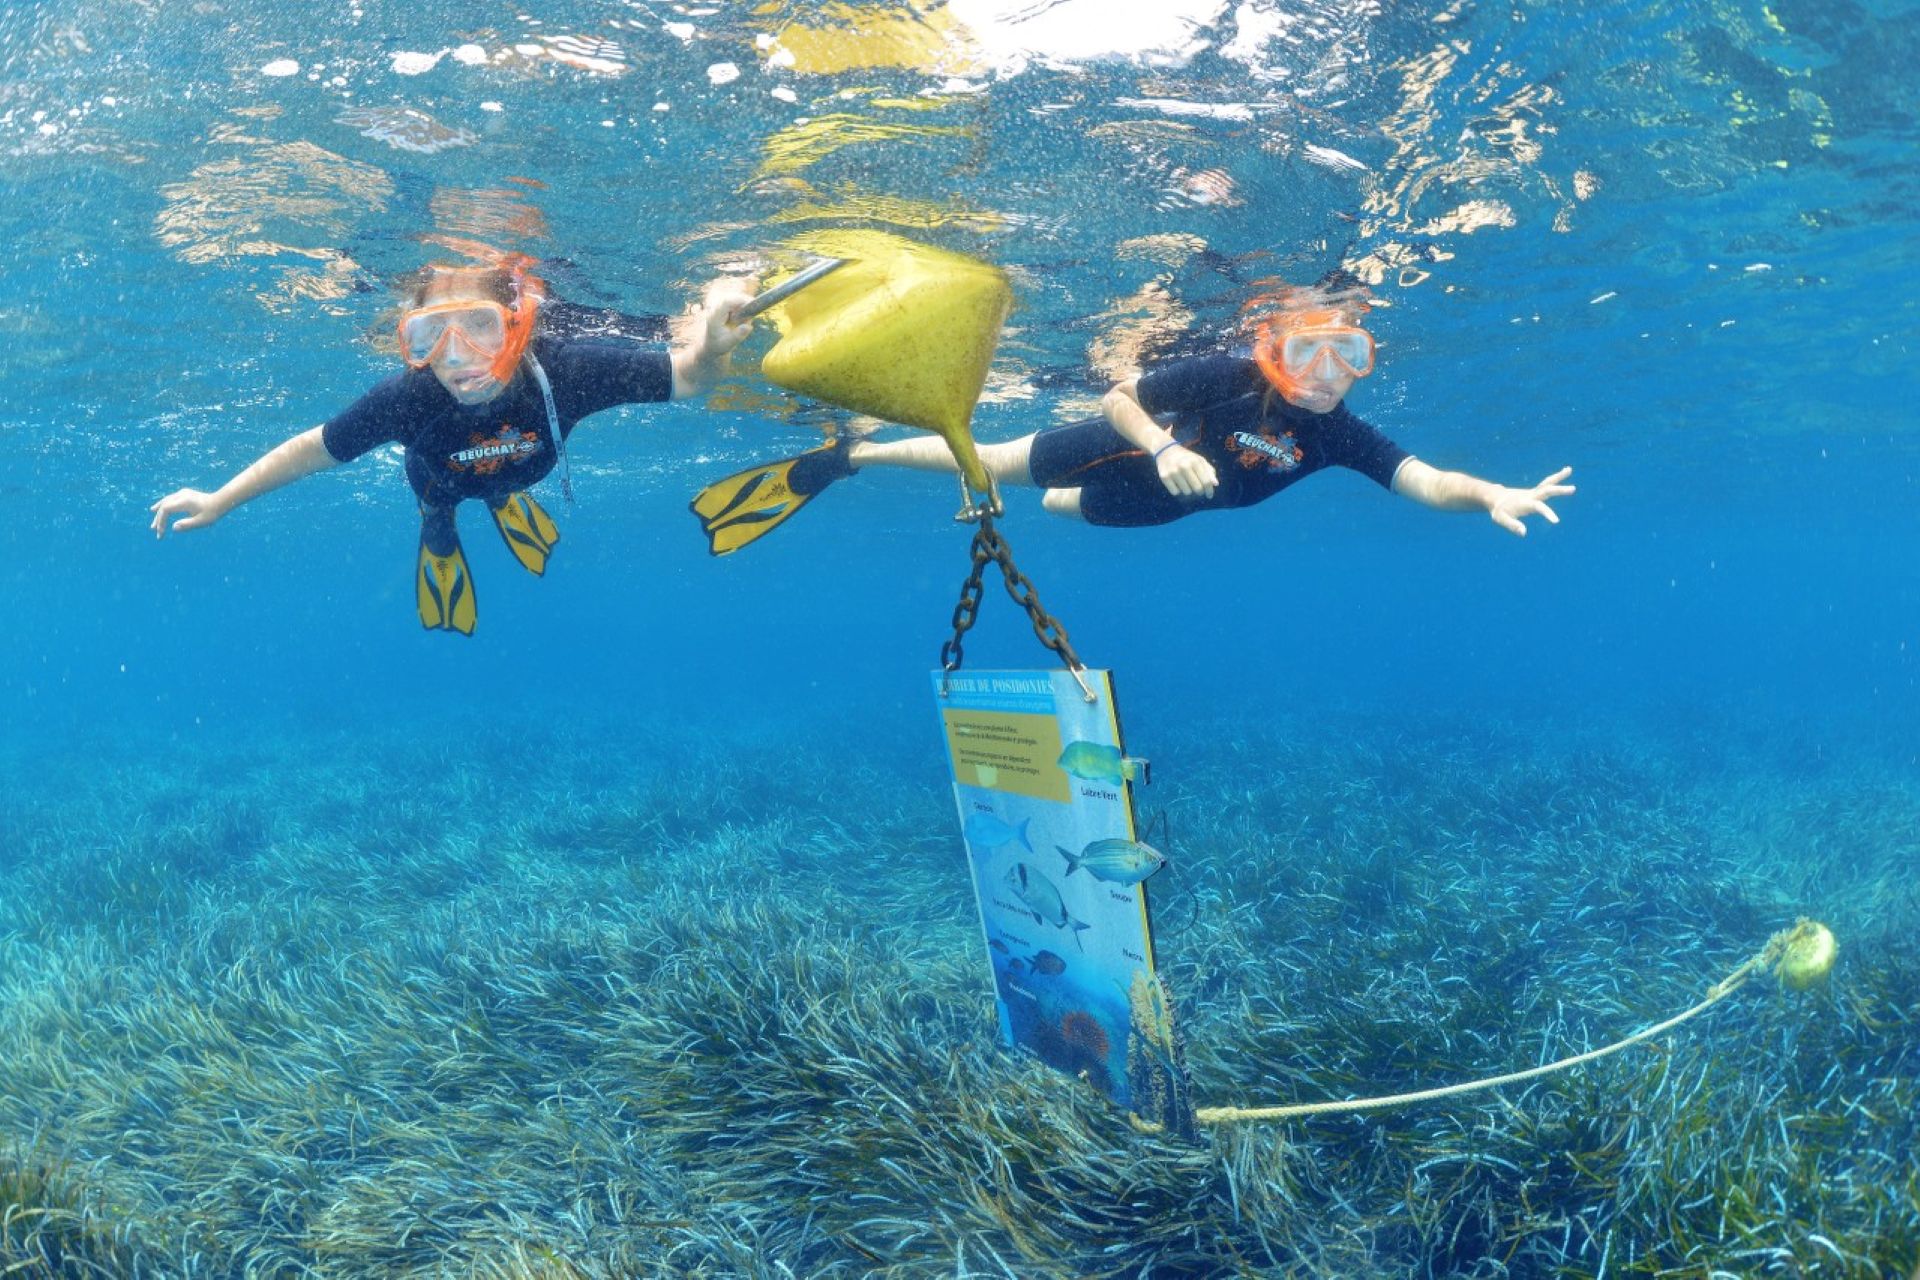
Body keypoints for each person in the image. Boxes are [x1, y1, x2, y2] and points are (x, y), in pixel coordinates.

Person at [688, 283, 1573, 551]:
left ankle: (1058, 505)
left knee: (1068, 509)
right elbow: (1119, 396)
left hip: (1161, 509)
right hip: (1133, 446)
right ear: (1274, 351)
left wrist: (1490, 492)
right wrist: (1159, 443)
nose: (1327, 376)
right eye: (1309, 352)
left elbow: (1422, 479)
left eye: (1350, 358)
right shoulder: (1224, 370)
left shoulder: (1339, 433)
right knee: (993, 463)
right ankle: (860, 454)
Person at [152, 256, 754, 634]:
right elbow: (314, 448)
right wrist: (219, 500)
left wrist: (712, 344)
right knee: (439, 516)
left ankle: (501, 501)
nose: (458, 355)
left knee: (497, 486)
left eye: (481, 324)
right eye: (430, 334)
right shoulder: (406, 398)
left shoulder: (570, 370)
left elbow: (691, 378)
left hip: (523, 472)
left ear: (519, 325)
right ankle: (444, 532)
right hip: (440, 483)